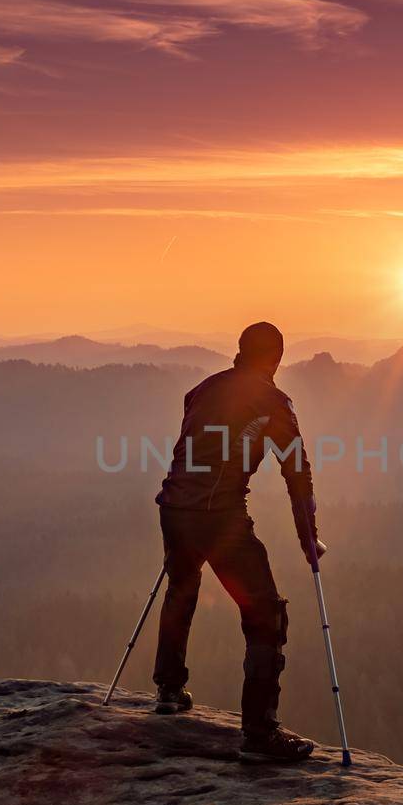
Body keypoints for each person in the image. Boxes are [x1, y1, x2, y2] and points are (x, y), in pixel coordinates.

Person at [152, 321, 325, 763]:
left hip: (174, 508)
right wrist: (309, 539)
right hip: (220, 516)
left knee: (182, 587)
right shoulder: (272, 401)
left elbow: (191, 449)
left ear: (239, 350)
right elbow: (296, 472)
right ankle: (259, 734)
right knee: (265, 614)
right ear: (277, 359)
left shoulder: (201, 389)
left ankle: (169, 690)